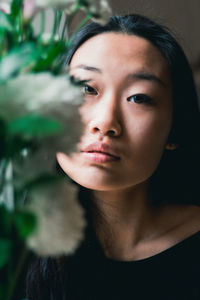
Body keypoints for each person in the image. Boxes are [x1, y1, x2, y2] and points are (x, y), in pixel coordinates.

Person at [26, 14, 200, 300]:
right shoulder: (16, 245)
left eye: (139, 98)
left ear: (175, 128)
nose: (105, 122)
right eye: (86, 88)